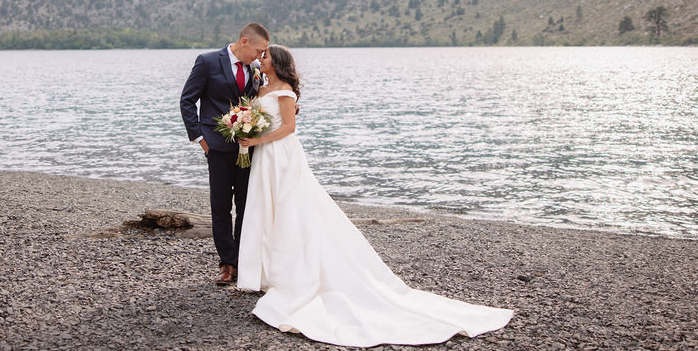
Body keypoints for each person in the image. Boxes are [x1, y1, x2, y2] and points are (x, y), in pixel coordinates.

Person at [236, 45, 513, 346]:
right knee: (267, 209)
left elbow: (289, 128)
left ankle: (293, 274)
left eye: (264, 57)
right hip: (264, 156)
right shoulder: (262, 87)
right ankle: (267, 271)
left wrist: (258, 138)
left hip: (282, 157)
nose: (259, 59)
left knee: (291, 212)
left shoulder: (286, 91)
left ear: (276, 63)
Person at [180, 22, 270, 285]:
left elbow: (259, 102)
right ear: (244, 42)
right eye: (259, 50)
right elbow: (187, 100)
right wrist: (200, 139)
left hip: (247, 148)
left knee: (245, 205)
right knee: (220, 206)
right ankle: (227, 264)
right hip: (216, 147)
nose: (260, 57)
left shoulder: (254, 70)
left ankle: (242, 260)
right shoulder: (207, 61)